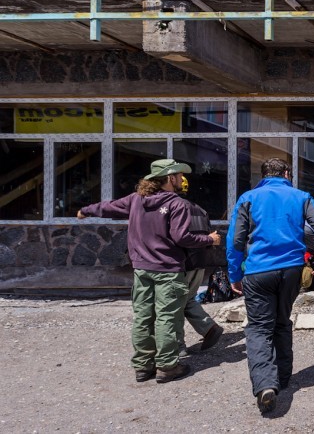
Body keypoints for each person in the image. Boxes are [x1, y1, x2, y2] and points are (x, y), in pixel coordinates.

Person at [78, 159, 221, 384]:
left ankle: (143, 366)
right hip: (168, 269)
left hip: (141, 269)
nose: (181, 179)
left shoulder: (136, 199)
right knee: (167, 317)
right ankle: (167, 366)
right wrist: (209, 239)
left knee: (143, 317)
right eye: (178, 175)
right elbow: (182, 237)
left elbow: (108, 206)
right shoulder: (177, 204)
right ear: (170, 178)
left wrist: (85, 210)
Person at [226, 158, 314, 414]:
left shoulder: (248, 197)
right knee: (283, 321)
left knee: (259, 328)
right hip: (291, 270)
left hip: (258, 271)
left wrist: (233, 273)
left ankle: (265, 384)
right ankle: (283, 378)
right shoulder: (301, 196)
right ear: (286, 173)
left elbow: (235, 239)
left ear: (263, 175)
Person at [176, 177, 224, 357]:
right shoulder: (200, 210)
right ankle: (209, 329)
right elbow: (209, 237)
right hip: (200, 263)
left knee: (175, 305)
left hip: (182, 263)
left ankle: (178, 346)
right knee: (187, 300)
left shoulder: (173, 208)